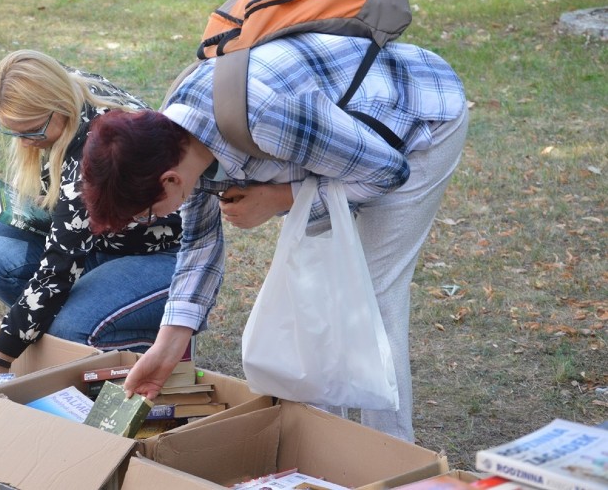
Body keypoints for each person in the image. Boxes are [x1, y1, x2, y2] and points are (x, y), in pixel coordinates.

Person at [80, 32, 468, 442]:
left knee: (370, 299)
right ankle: (326, 446)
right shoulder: (172, 141)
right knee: (313, 292)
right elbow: (199, 246)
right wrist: (164, 350)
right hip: (336, 139)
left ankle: (394, 459)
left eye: (148, 214)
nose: (154, 219)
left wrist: (279, 197)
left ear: (170, 180)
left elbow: (388, 172)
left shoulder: (262, 118)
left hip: (418, 115)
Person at [0, 50, 182, 375]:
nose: (25, 144)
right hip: (106, 244)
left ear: (58, 109)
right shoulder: (71, 84)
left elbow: (57, 272)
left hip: (165, 258)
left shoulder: (94, 155)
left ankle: (152, 345)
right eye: (14, 133)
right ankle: (60, 326)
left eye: (31, 131)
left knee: (70, 331)